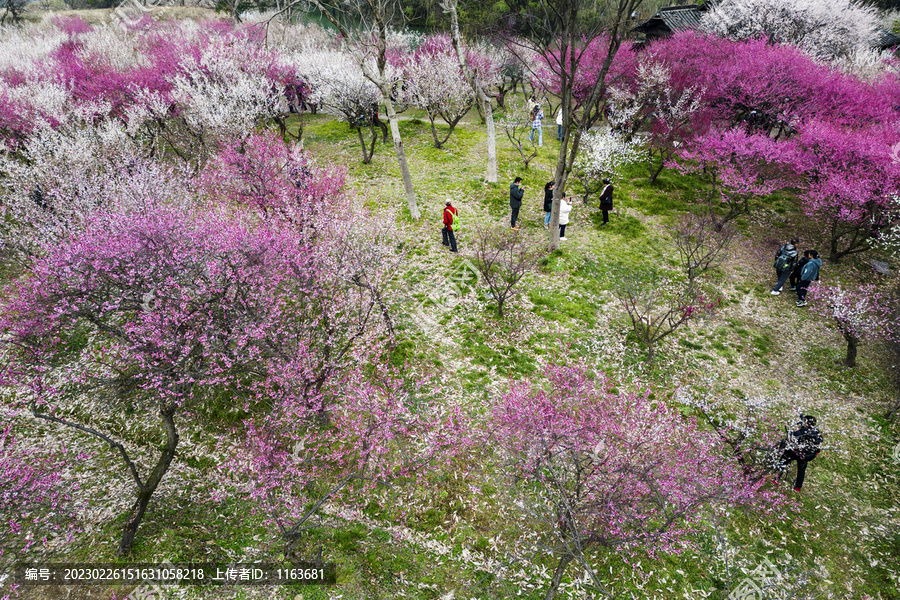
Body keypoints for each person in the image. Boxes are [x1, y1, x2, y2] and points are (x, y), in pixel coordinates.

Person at [775, 415, 823, 492]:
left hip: (794, 452)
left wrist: (794, 431)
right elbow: (819, 445)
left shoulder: (801, 431)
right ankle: (798, 486)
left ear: (806, 423)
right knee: (801, 470)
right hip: (806, 456)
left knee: (784, 459)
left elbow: (792, 439)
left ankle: (776, 477)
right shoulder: (816, 433)